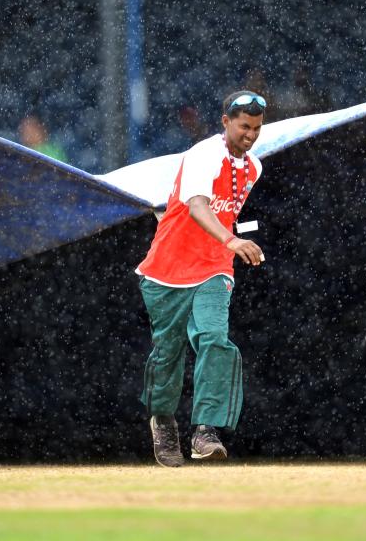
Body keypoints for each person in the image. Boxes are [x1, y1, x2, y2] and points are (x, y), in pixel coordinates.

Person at [135, 90, 267, 467]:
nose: (251, 135)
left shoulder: (253, 168)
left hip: (214, 267)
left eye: (257, 128)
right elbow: (196, 206)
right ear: (224, 122)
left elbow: (226, 214)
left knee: (214, 338)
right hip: (167, 271)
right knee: (168, 355)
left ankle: (205, 431)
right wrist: (231, 238)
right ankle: (162, 420)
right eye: (244, 126)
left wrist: (230, 242)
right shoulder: (202, 155)